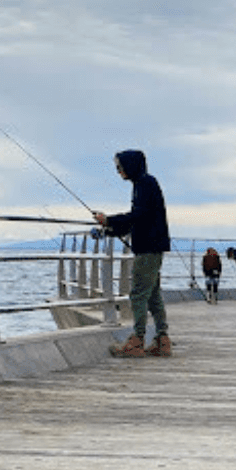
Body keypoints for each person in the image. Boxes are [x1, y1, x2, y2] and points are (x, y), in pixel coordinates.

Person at [93, 149, 172, 357]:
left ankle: (137, 340)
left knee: (138, 294)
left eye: (120, 167)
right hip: (152, 247)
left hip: (148, 249)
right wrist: (109, 229)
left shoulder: (145, 184)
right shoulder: (144, 184)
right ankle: (162, 341)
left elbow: (138, 215)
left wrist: (109, 220)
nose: (118, 172)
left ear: (130, 165)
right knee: (153, 294)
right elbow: (138, 220)